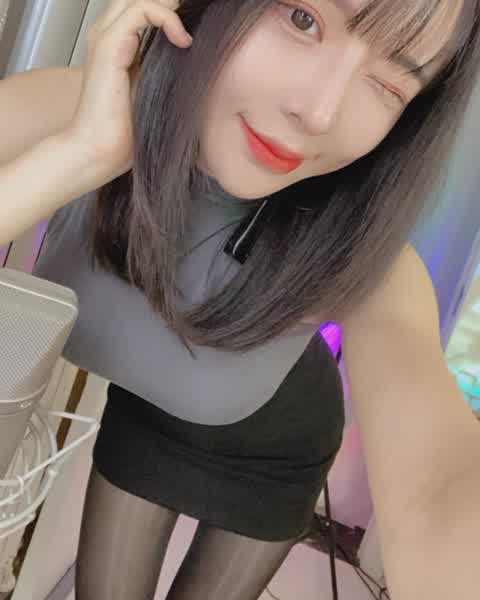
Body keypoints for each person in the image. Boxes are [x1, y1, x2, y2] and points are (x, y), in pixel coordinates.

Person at [2, 0, 480, 598]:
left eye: (389, 83)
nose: (318, 112)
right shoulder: (70, 108)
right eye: (302, 18)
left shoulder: (367, 259)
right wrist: (80, 155)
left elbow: (439, 491)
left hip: (276, 454)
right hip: (149, 418)